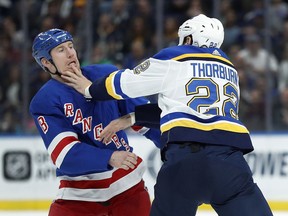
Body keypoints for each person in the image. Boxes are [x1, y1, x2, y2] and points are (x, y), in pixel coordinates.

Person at [61, 14, 273, 216]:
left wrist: (90, 89)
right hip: (231, 165)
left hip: (185, 162)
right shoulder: (229, 68)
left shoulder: (175, 56)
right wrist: (134, 117)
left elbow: (124, 84)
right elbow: (187, 109)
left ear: (189, 37)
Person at [29, 28, 161, 216]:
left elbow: (144, 117)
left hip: (128, 188)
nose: (70, 53)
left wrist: (170, 146)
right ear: (46, 63)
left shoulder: (106, 75)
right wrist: (109, 157)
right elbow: (65, 156)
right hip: (78, 196)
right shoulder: (45, 100)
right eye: (60, 50)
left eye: (70, 46)